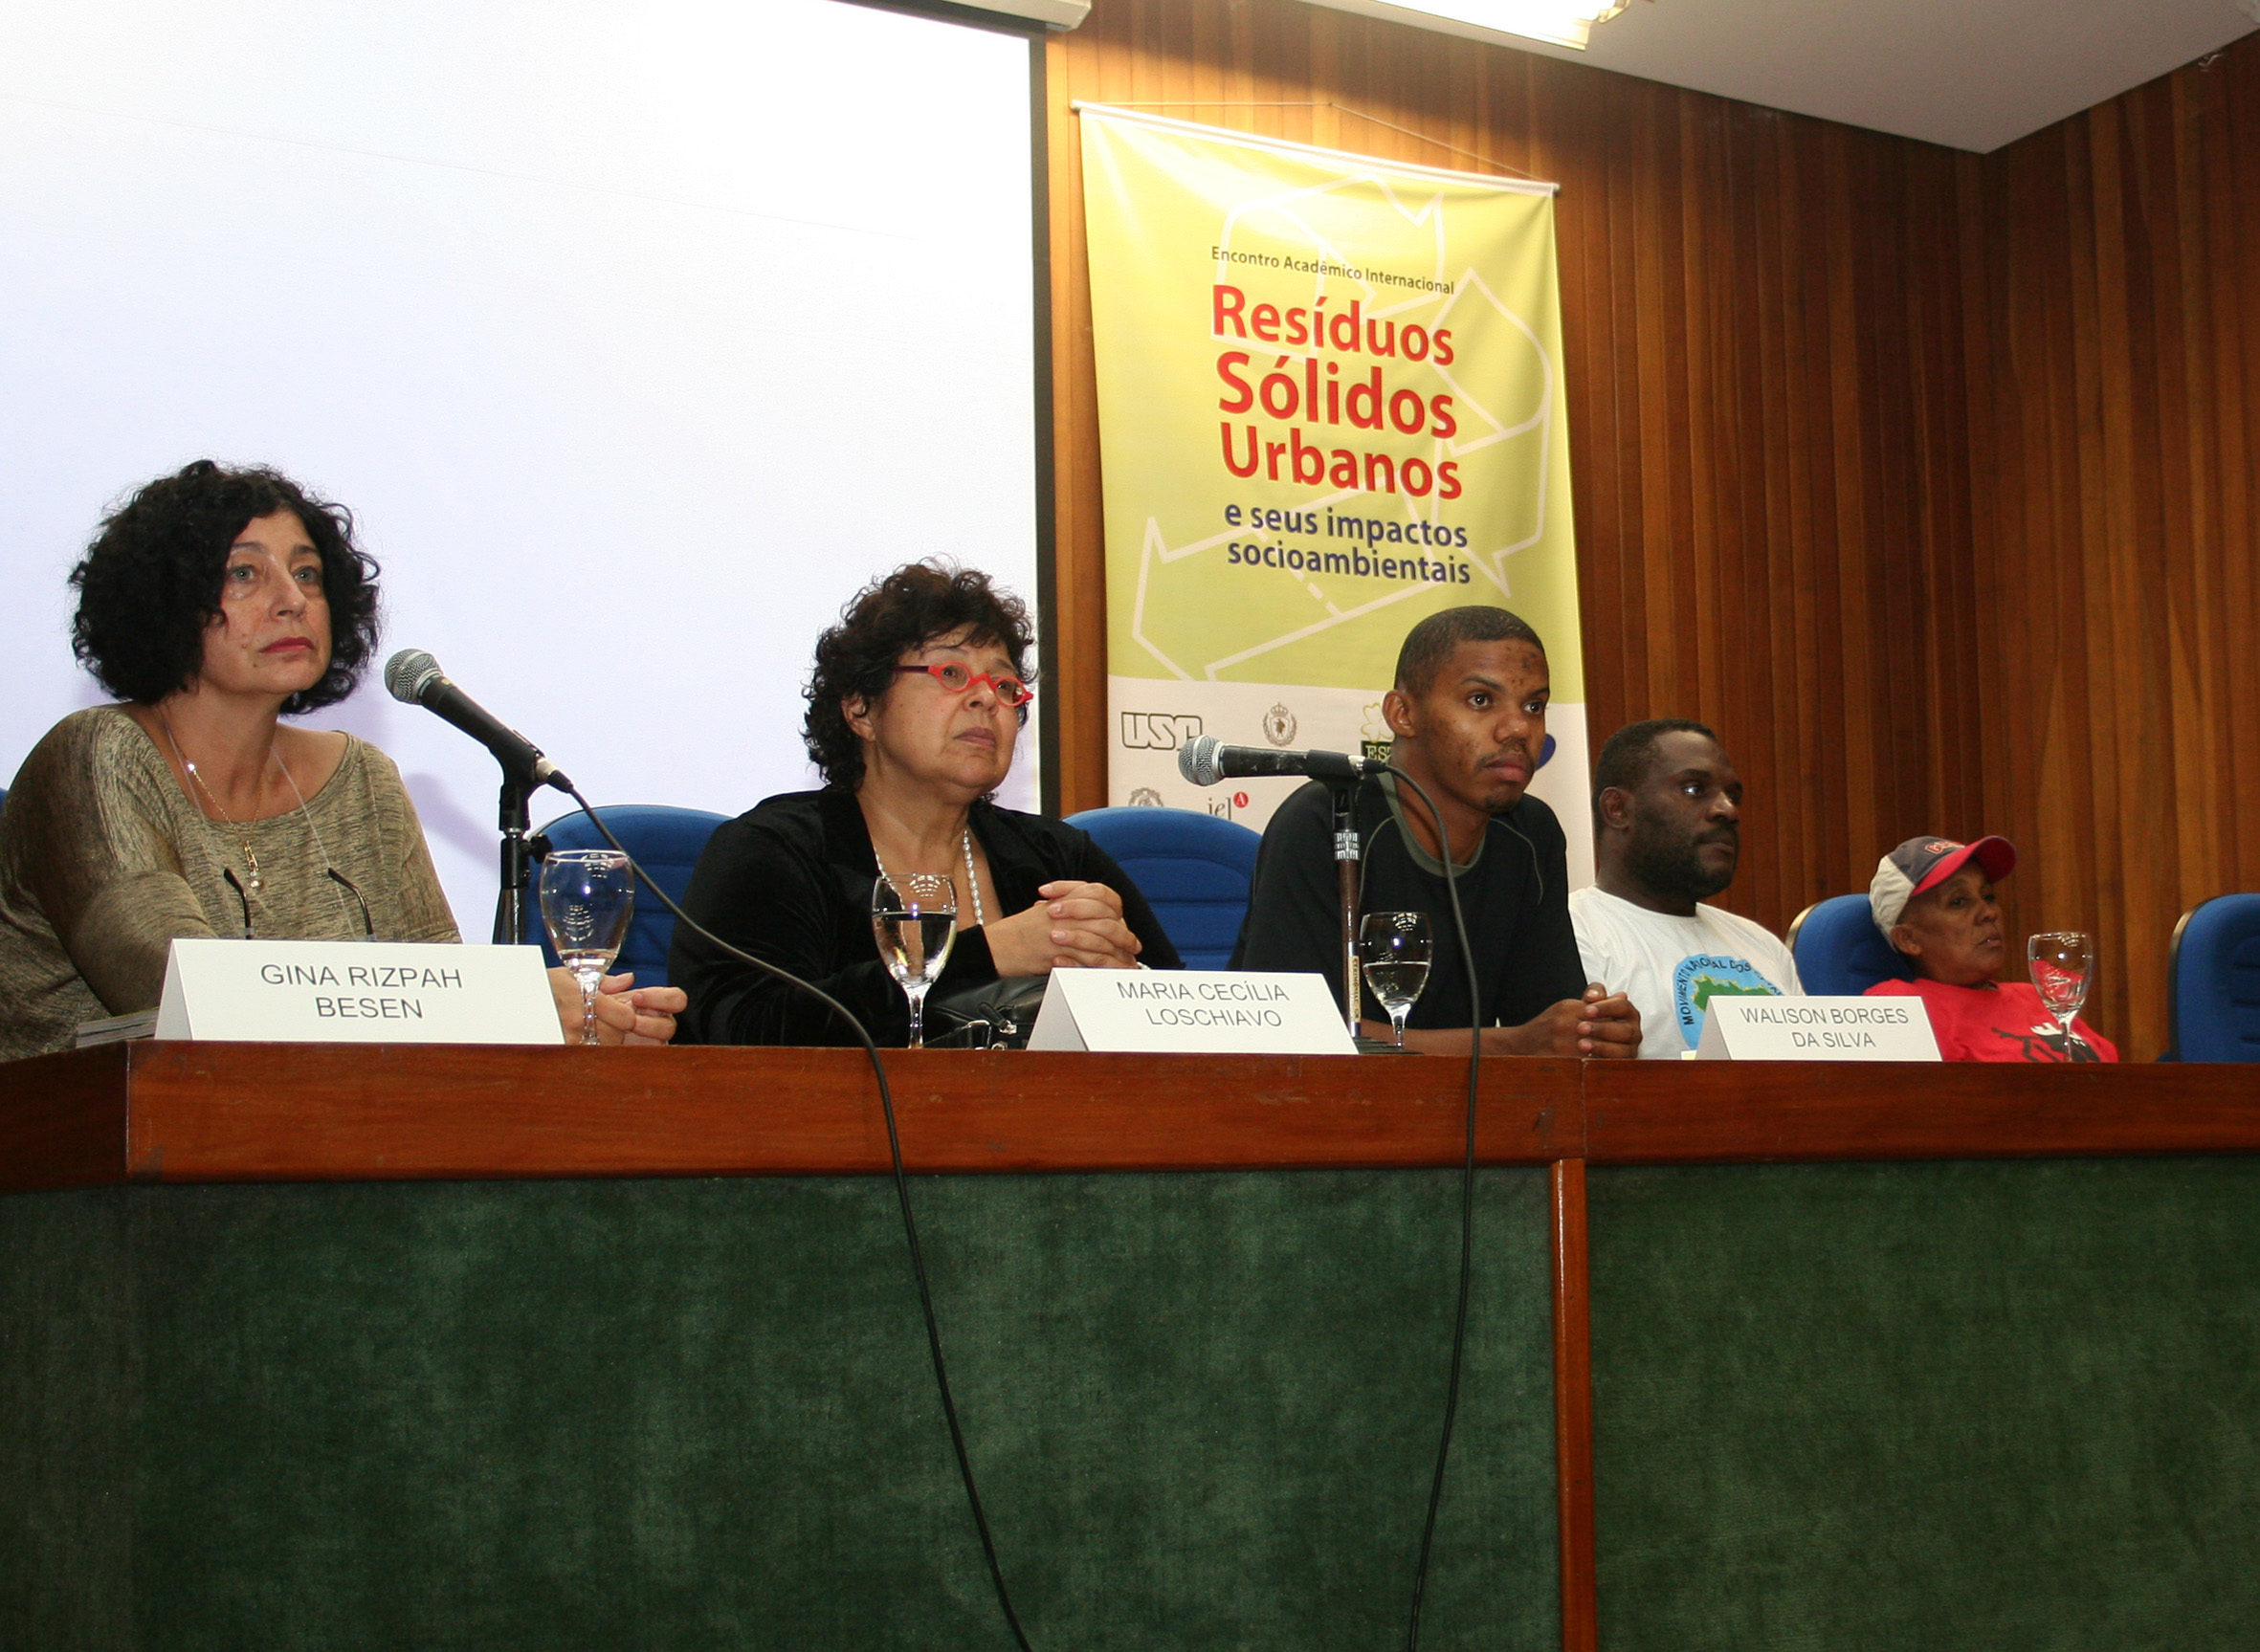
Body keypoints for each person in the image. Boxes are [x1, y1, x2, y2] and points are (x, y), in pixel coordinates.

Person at [0, 461, 684, 1064]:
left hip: (326, 1134)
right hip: (87, 1152)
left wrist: (572, 1024)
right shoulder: (95, 757)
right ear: (163, 600)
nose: (292, 600)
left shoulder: (361, 779)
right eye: (244, 573)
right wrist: (514, 1008)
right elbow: (186, 997)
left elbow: (441, 1002)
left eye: (307, 574)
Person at [671, 562, 1180, 1046]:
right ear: (861, 708)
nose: (986, 699)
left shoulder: (1058, 857)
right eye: (951, 673)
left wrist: (1124, 983)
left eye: (1004, 685)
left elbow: (1186, 1020)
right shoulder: (775, 850)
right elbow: (743, 1029)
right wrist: (988, 953)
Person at [1231, 606, 1640, 1056]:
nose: (1518, 728)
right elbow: (1289, 1031)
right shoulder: (1328, 819)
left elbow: (1542, 1021)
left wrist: (1589, 1032)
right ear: (1403, 713)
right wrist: (1512, 1046)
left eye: (1534, 706)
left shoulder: (1531, 833)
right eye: (1481, 700)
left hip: (1467, 1099)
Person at [1570, 719, 1802, 1058]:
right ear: (1617, 809)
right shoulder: (1572, 932)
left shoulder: (1761, 944)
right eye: (1694, 789)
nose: (1728, 810)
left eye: (1733, 796)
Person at [1862, 834, 2117, 1062]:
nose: (1988, 912)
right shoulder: (1900, 1007)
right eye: (1958, 901)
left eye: (1988, 896)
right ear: (1908, 939)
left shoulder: (2041, 995)